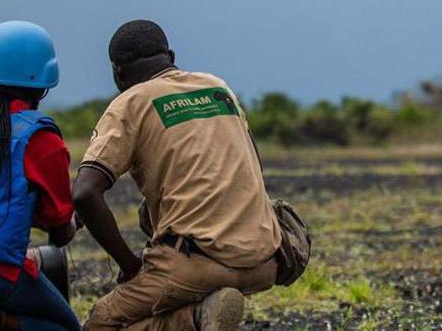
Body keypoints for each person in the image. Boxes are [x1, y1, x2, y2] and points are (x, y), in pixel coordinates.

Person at [73, 20, 282, 331]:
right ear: (170, 56)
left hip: (196, 263)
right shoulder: (216, 87)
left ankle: (194, 320)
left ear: (118, 73)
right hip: (265, 258)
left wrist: (130, 266)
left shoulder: (130, 103)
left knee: (103, 322)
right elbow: (252, 163)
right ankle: (200, 313)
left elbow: (85, 193)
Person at [0, 21, 81, 331]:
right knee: (65, 327)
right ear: (40, 82)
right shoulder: (38, 139)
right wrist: (70, 219)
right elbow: (60, 232)